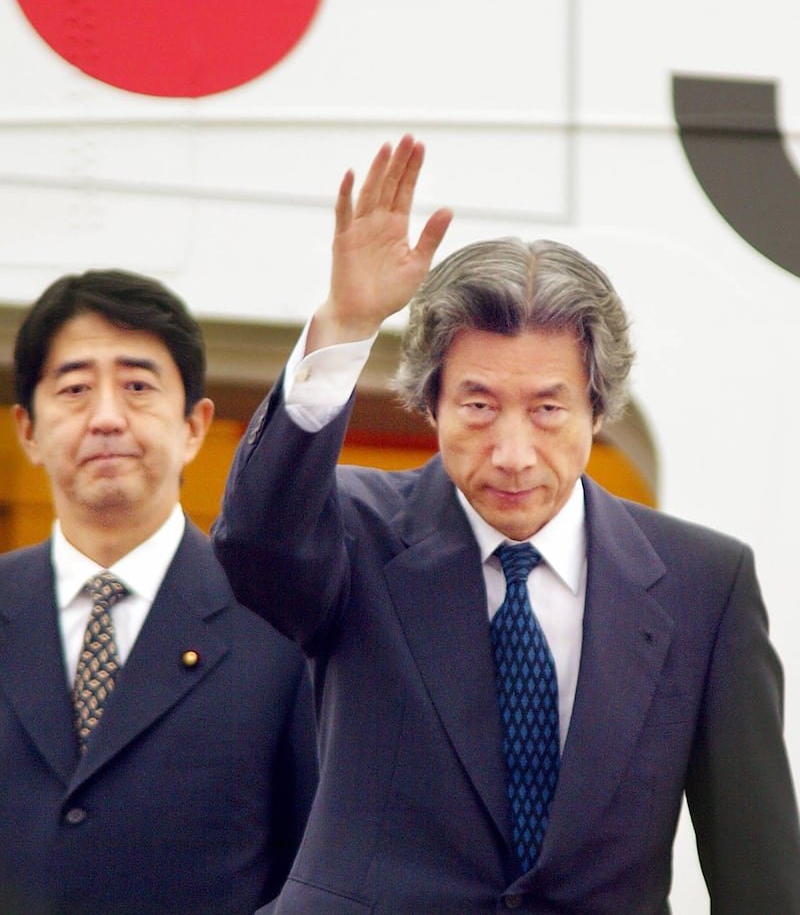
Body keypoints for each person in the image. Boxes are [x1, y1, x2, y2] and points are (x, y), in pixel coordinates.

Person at [211, 135, 800, 915]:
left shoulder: (705, 584)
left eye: (549, 409)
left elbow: (759, 874)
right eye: (480, 406)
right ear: (431, 404)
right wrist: (346, 323)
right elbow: (256, 542)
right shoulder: (353, 532)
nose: (514, 453)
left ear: (599, 408)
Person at [0, 269, 318, 915]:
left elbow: (313, 866)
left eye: (138, 386)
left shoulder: (278, 620)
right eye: (75, 388)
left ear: (195, 425)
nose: (108, 417)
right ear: (27, 429)